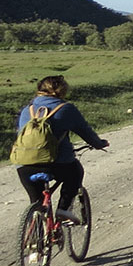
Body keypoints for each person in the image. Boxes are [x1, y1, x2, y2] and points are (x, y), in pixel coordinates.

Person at [15, 75, 109, 222]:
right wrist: (99, 143)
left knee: (36, 202)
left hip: (24, 164)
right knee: (76, 172)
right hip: (58, 163)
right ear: (63, 90)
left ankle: (33, 231)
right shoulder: (67, 109)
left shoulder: (28, 110)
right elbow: (85, 132)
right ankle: (63, 209)